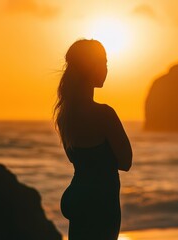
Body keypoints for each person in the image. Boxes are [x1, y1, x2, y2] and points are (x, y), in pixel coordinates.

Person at [54, 39, 132, 240]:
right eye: (104, 62)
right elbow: (125, 162)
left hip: (77, 198)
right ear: (91, 67)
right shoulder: (104, 114)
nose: (106, 68)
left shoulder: (65, 115)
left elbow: (77, 159)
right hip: (101, 204)